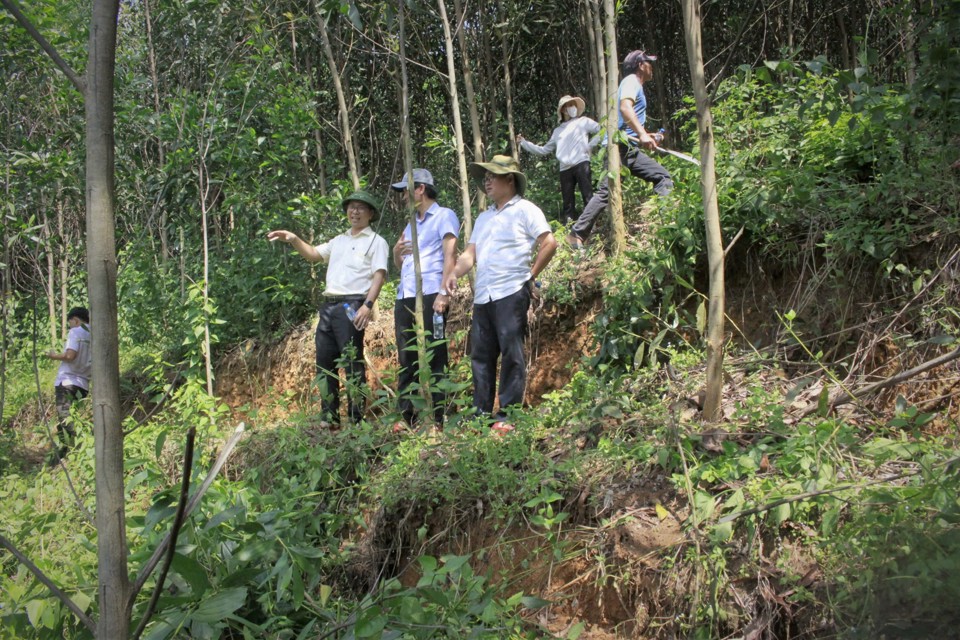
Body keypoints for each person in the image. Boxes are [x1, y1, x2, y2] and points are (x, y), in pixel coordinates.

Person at [444, 155, 558, 428]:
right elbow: (470, 255)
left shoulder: (526, 210)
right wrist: (453, 275)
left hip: (511, 290)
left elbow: (549, 242)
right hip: (484, 295)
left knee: (511, 352)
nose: (487, 180)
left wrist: (529, 277)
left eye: (492, 175)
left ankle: (507, 416)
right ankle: (480, 415)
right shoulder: (484, 218)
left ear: (510, 180)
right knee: (481, 356)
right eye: (485, 176)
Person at [267, 190, 389, 426]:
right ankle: (329, 416)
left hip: (352, 304)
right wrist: (293, 239)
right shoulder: (339, 240)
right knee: (324, 363)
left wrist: (367, 305)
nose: (354, 211)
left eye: (360, 207)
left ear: (370, 214)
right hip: (329, 306)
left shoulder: (377, 242)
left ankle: (355, 418)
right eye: (351, 207)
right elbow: (313, 254)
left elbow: (379, 276)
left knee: (352, 363)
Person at [568, 50, 674, 248]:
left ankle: (667, 223)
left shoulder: (634, 84)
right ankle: (576, 234)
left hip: (628, 148)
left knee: (661, 177)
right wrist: (642, 134)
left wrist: (645, 134)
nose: (652, 66)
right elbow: (625, 108)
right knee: (607, 192)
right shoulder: (632, 81)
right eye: (648, 62)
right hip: (619, 148)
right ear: (641, 65)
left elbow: (627, 122)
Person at [391, 169, 460, 427]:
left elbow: (450, 255)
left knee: (436, 354)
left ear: (420, 189)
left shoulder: (444, 216)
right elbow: (401, 264)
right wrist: (396, 253)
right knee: (406, 356)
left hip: (432, 293)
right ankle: (406, 417)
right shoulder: (411, 224)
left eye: (406, 190)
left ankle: (440, 417)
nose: (404, 196)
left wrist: (444, 293)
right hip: (406, 294)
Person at [517, 95, 601, 224]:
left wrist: (590, 145)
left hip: (581, 163)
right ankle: (569, 228)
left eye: (573, 104)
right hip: (565, 168)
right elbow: (544, 150)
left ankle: (593, 226)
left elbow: (602, 130)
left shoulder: (583, 121)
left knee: (588, 196)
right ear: (562, 109)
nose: (571, 107)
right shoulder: (557, 131)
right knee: (567, 202)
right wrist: (524, 143)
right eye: (568, 105)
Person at [45, 306, 91, 460]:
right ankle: (68, 452)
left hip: (67, 382)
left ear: (76, 320)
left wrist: (53, 356)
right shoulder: (94, 334)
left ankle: (71, 450)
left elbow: (70, 355)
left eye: (70, 322)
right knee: (73, 417)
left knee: (65, 418)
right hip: (83, 385)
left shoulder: (76, 331)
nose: (70, 326)